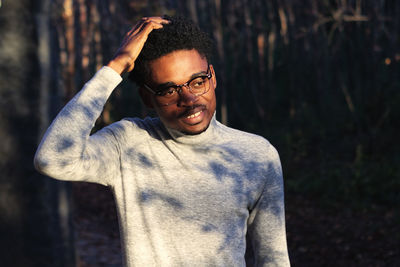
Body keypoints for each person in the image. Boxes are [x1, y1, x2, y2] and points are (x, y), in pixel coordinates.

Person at [34, 15, 290, 267]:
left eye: (198, 82)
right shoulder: (128, 143)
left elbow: (274, 259)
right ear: (147, 98)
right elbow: (53, 158)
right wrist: (115, 68)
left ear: (212, 77)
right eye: (169, 90)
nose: (189, 99)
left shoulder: (257, 155)